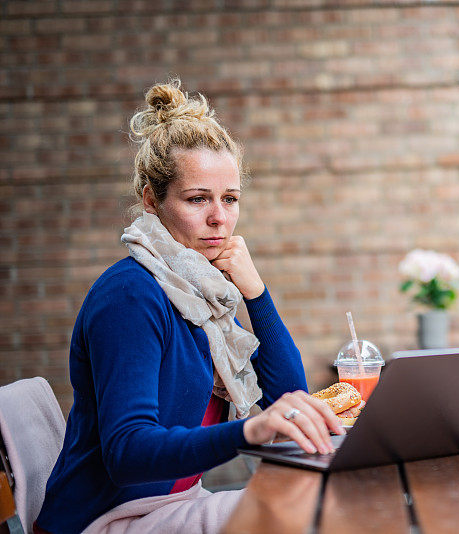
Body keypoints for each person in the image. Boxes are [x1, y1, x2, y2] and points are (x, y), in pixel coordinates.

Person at [35, 79, 343, 534]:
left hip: (171, 502)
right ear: (152, 201)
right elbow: (128, 452)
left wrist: (256, 293)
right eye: (198, 199)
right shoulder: (132, 296)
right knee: (304, 510)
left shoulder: (200, 292)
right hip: (106, 518)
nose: (219, 217)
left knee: (314, 497)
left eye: (230, 199)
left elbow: (288, 397)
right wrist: (248, 432)